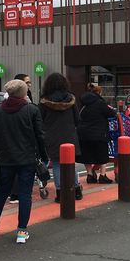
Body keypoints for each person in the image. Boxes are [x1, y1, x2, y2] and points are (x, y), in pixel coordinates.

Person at [0, 79, 48, 244]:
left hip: (5, 159)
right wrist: (44, 156)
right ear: (23, 93)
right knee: (25, 194)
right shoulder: (31, 110)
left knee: (2, 191)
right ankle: (21, 231)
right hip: (27, 158)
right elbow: (40, 136)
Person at [39, 72, 83, 203]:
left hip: (52, 137)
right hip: (69, 136)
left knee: (57, 164)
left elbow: (40, 121)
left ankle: (60, 193)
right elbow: (77, 120)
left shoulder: (44, 101)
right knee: (70, 164)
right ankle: (76, 191)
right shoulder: (71, 99)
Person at [77, 84, 116, 183]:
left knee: (87, 155)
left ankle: (90, 175)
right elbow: (111, 114)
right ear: (98, 93)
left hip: (83, 134)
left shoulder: (83, 103)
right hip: (99, 134)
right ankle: (102, 176)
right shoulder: (100, 103)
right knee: (102, 155)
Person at [7, 73, 33, 203]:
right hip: (19, 140)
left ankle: (14, 192)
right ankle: (16, 194)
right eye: (27, 83)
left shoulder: (27, 98)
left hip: (13, 141)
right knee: (19, 168)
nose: (29, 85)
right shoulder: (24, 104)